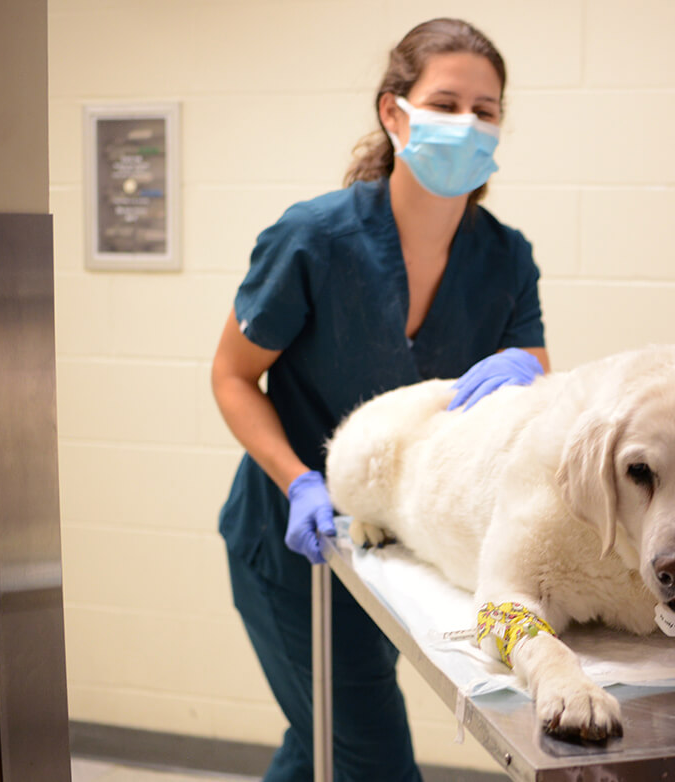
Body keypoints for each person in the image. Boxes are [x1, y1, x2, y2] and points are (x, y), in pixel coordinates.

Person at [210, 18, 550, 781]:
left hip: (388, 548)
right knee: (370, 757)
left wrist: (524, 372)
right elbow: (232, 376)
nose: (466, 124)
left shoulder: (504, 256)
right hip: (291, 541)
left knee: (320, 739)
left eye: (485, 110)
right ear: (394, 113)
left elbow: (535, 363)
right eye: (446, 102)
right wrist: (298, 478)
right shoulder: (311, 239)